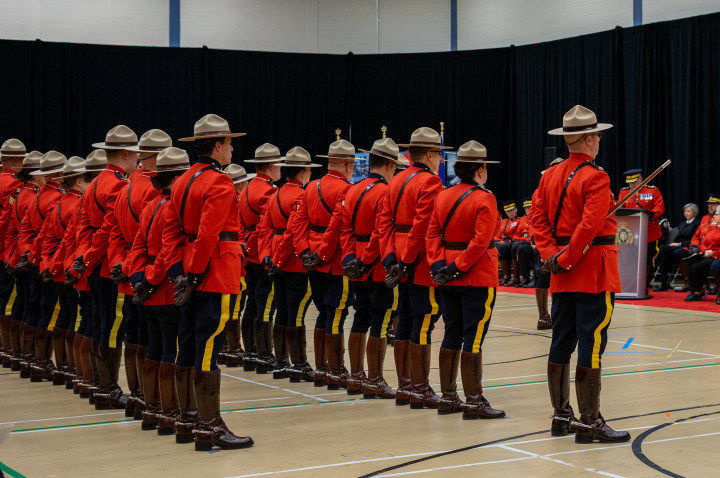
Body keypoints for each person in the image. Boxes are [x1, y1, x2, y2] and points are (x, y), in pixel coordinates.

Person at [533, 105, 630, 443]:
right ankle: (590, 421)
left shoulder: (549, 176)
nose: (599, 140)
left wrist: (553, 258)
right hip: (592, 270)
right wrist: (569, 258)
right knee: (592, 342)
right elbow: (589, 226)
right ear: (588, 138)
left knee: (561, 340)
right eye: (597, 135)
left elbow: (538, 222)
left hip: (562, 271)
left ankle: (561, 416)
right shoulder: (596, 176)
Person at [168, 114, 253, 451]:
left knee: (188, 344)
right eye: (229, 143)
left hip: (194, 272)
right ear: (217, 146)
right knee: (208, 348)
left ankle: (187, 417)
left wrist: (181, 273)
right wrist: (196, 274)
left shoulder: (182, 180)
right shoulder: (219, 183)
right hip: (214, 273)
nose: (232, 148)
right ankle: (209, 426)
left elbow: (173, 233)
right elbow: (208, 235)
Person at [427, 140, 505, 419]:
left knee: (451, 333)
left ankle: (448, 397)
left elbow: (432, 234)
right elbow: (481, 241)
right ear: (481, 170)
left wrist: (440, 265)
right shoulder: (485, 198)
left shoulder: (443, 195)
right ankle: (473, 401)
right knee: (473, 338)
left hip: (446, 273)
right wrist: (459, 267)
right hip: (476, 276)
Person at [378, 127, 449, 409]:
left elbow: (384, 223)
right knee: (424, 320)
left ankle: (405, 387)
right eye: (439, 156)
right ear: (430, 154)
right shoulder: (430, 182)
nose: (441, 161)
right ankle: (420, 388)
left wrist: (390, 259)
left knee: (405, 318)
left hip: (398, 256)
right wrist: (407, 261)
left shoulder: (395, 180)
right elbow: (422, 227)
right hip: (417, 261)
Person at [71, 125, 139, 410]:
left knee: (101, 325)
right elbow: (110, 230)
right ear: (125, 153)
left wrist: (84, 257)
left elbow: (85, 228)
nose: (138, 159)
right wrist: (94, 258)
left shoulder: (97, 181)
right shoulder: (119, 184)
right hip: (110, 267)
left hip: (96, 267)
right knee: (112, 329)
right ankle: (108, 389)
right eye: (135, 154)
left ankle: (101, 386)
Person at [127, 147, 193, 440]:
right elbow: (170, 252)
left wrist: (139, 279)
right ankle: (170, 413)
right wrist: (152, 282)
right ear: (177, 177)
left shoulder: (150, 206)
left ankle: (152, 410)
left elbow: (138, 248)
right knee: (171, 350)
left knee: (154, 347)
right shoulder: (172, 207)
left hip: (150, 287)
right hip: (165, 287)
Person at [107, 129, 170, 418]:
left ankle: (137, 397)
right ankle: (153, 401)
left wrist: (121, 265)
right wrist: (145, 273)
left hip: (130, 273)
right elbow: (155, 238)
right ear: (158, 157)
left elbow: (116, 234)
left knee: (134, 335)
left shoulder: (125, 188)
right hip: (152, 275)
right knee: (153, 339)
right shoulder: (155, 191)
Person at [289, 140, 356, 390]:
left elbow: (298, 224)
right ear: (348, 164)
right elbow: (337, 226)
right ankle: (336, 371)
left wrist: (306, 252)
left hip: (312, 259)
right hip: (334, 259)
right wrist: (324, 254)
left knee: (323, 312)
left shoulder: (311, 186)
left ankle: (321, 369)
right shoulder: (346, 189)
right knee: (337, 312)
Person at [341, 138, 399, 397]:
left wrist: (350, 260)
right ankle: (375, 380)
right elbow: (380, 233)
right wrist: (365, 261)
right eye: (394, 167)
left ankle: (356, 377)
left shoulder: (351, 190)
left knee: (360, 317)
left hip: (355, 265)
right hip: (375, 265)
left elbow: (346, 230)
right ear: (387, 165)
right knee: (381, 319)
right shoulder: (386, 192)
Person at [258, 148, 316, 383]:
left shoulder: (276, 194)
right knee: (297, 314)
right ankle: (299, 364)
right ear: (302, 172)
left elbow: (265, 229)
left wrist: (268, 256)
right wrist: (281, 258)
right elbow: (294, 231)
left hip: (277, 260)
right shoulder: (300, 196)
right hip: (293, 261)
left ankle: (281, 362)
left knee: (282, 311)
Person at [41, 156, 91, 388]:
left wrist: (51, 266)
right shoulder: (78, 204)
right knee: (77, 318)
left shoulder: (59, 204)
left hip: (61, 268)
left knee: (65, 316)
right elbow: (75, 240)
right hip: (75, 270)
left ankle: (64, 367)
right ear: (79, 181)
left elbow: (53, 241)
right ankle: (76, 371)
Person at [60, 150, 106, 399]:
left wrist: (71, 265)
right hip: (92, 266)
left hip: (81, 265)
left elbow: (70, 240)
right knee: (94, 323)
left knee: (84, 321)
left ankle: (81, 377)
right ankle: (90, 380)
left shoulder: (78, 202)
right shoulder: (84, 201)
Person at [21, 151, 67, 382]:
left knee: (35, 307)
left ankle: (30, 358)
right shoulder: (58, 198)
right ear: (59, 174)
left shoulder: (35, 197)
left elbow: (28, 232)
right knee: (51, 311)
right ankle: (41, 361)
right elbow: (51, 234)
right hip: (50, 260)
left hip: (36, 259)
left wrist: (29, 256)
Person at [238, 143, 281, 374]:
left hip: (250, 253)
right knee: (265, 305)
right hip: (264, 253)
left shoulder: (246, 188)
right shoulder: (269, 191)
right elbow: (267, 227)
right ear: (272, 166)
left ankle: (251, 354)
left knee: (252, 304)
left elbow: (241, 224)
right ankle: (264, 355)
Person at [5, 151, 44, 378]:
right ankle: (32, 359)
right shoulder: (33, 197)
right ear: (36, 175)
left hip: (22, 257)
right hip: (34, 259)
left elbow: (12, 229)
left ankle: (20, 356)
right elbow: (37, 234)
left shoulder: (22, 196)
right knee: (38, 307)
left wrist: (14, 256)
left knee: (24, 303)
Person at [220, 163, 255, 369]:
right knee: (235, 306)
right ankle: (233, 348)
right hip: (237, 259)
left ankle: (225, 347)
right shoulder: (238, 200)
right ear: (240, 184)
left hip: (225, 258)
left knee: (228, 305)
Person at [0, 139, 25, 369]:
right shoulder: (13, 185)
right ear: (17, 160)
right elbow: (9, 222)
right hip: (4, 250)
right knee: (8, 301)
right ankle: (8, 351)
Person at [617, 168, 665, 289]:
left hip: (650, 232)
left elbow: (660, 208)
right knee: (630, 259)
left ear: (640, 179)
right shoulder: (624, 192)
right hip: (631, 233)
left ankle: (644, 284)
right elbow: (620, 209)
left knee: (649, 259)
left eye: (633, 181)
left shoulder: (652, 191)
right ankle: (631, 284)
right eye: (629, 182)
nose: (631, 184)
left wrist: (649, 215)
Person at [532, 158, 564, 330]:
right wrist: (536, 240)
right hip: (545, 242)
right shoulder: (540, 191)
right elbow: (534, 219)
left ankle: (558, 316)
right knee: (543, 277)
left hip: (561, 241)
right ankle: (543, 316)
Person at [675, 194, 720, 292]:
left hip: (713, 251)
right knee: (685, 256)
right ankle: (696, 288)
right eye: (709, 204)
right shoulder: (705, 218)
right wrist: (695, 246)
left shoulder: (717, 221)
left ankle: (717, 287)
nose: (710, 206)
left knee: (699, 262)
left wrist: (710, 252)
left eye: (713, 204)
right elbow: (697, 236)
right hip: (702, 248)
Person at [653, 203, 700, 291]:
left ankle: (688, 281)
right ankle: (664, 284)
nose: (686, 213)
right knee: (664, 257)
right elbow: (677, 238)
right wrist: (675, 243)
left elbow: (694, 240)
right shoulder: (682, 223)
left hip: (687, 247)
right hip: (677, 246)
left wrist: (679, 244)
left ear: (694, 213)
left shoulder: (697, 224)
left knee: (663, 248)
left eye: (688, 211)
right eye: (685, 211)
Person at [683, 209, 720, 302]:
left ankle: (699, 291)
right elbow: (703, 242)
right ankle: (695, 291)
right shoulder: (713, 227)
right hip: (707, 253)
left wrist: (712, 252)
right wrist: (705, 250)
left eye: (716, 214)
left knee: (696, 266)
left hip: (716, 255)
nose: (714, 216)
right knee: (690, 260)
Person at [495, 201, 520, 285]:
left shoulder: (520, 220)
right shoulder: (504, 221)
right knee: (501, 247)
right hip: (504, 243)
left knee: (508, 247)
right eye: (508, 211)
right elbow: (498, 234)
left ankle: (515, 276)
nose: (510, 213)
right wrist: (497, 241)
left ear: (516, 210)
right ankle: (506, 275)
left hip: (514, 243)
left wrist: (511, 241)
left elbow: (519, 233)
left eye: (512, 210)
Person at [514, 198, 535, 287]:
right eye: (526, 208)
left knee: (522, 248)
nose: (527, 210)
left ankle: (535, 278)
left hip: (533, 242)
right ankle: (525, 277)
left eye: (529, 207)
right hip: (525, 242)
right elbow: (517, 233)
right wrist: (516, 239)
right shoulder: (523, 219)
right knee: (518, 248)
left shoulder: (536, 217)